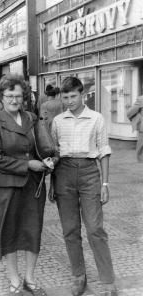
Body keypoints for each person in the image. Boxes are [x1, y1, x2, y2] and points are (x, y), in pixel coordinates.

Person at [51, 77, 117, 296]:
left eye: (73, 96)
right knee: (70, 229)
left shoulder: (96, 118)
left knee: (95, 229)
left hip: (90, 173)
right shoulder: (58, 121)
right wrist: (52, 183)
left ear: (83, 95)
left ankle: (108, 281)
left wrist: (105, 183)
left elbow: (104, 150)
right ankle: (79, 276)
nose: (69, 101)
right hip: (63, 175)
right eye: (65, 97)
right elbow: (55, 154)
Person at [0, 74, 49, 296]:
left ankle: (29, 279)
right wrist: (28, 164)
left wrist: (48, 161)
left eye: (19, 96)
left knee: (33, 230)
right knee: (9, 231)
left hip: (33, 186)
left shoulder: (31, 117)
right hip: (7, 186)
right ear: (1, 97)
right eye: (9, 96)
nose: (14, 100)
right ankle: (14, 280)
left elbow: (41, 148)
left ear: (25, 97)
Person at [127, 96, 143, 162]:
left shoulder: (141, 99)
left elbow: (129, 113)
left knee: (141, 145)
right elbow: (130, 113)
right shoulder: (141, 99)